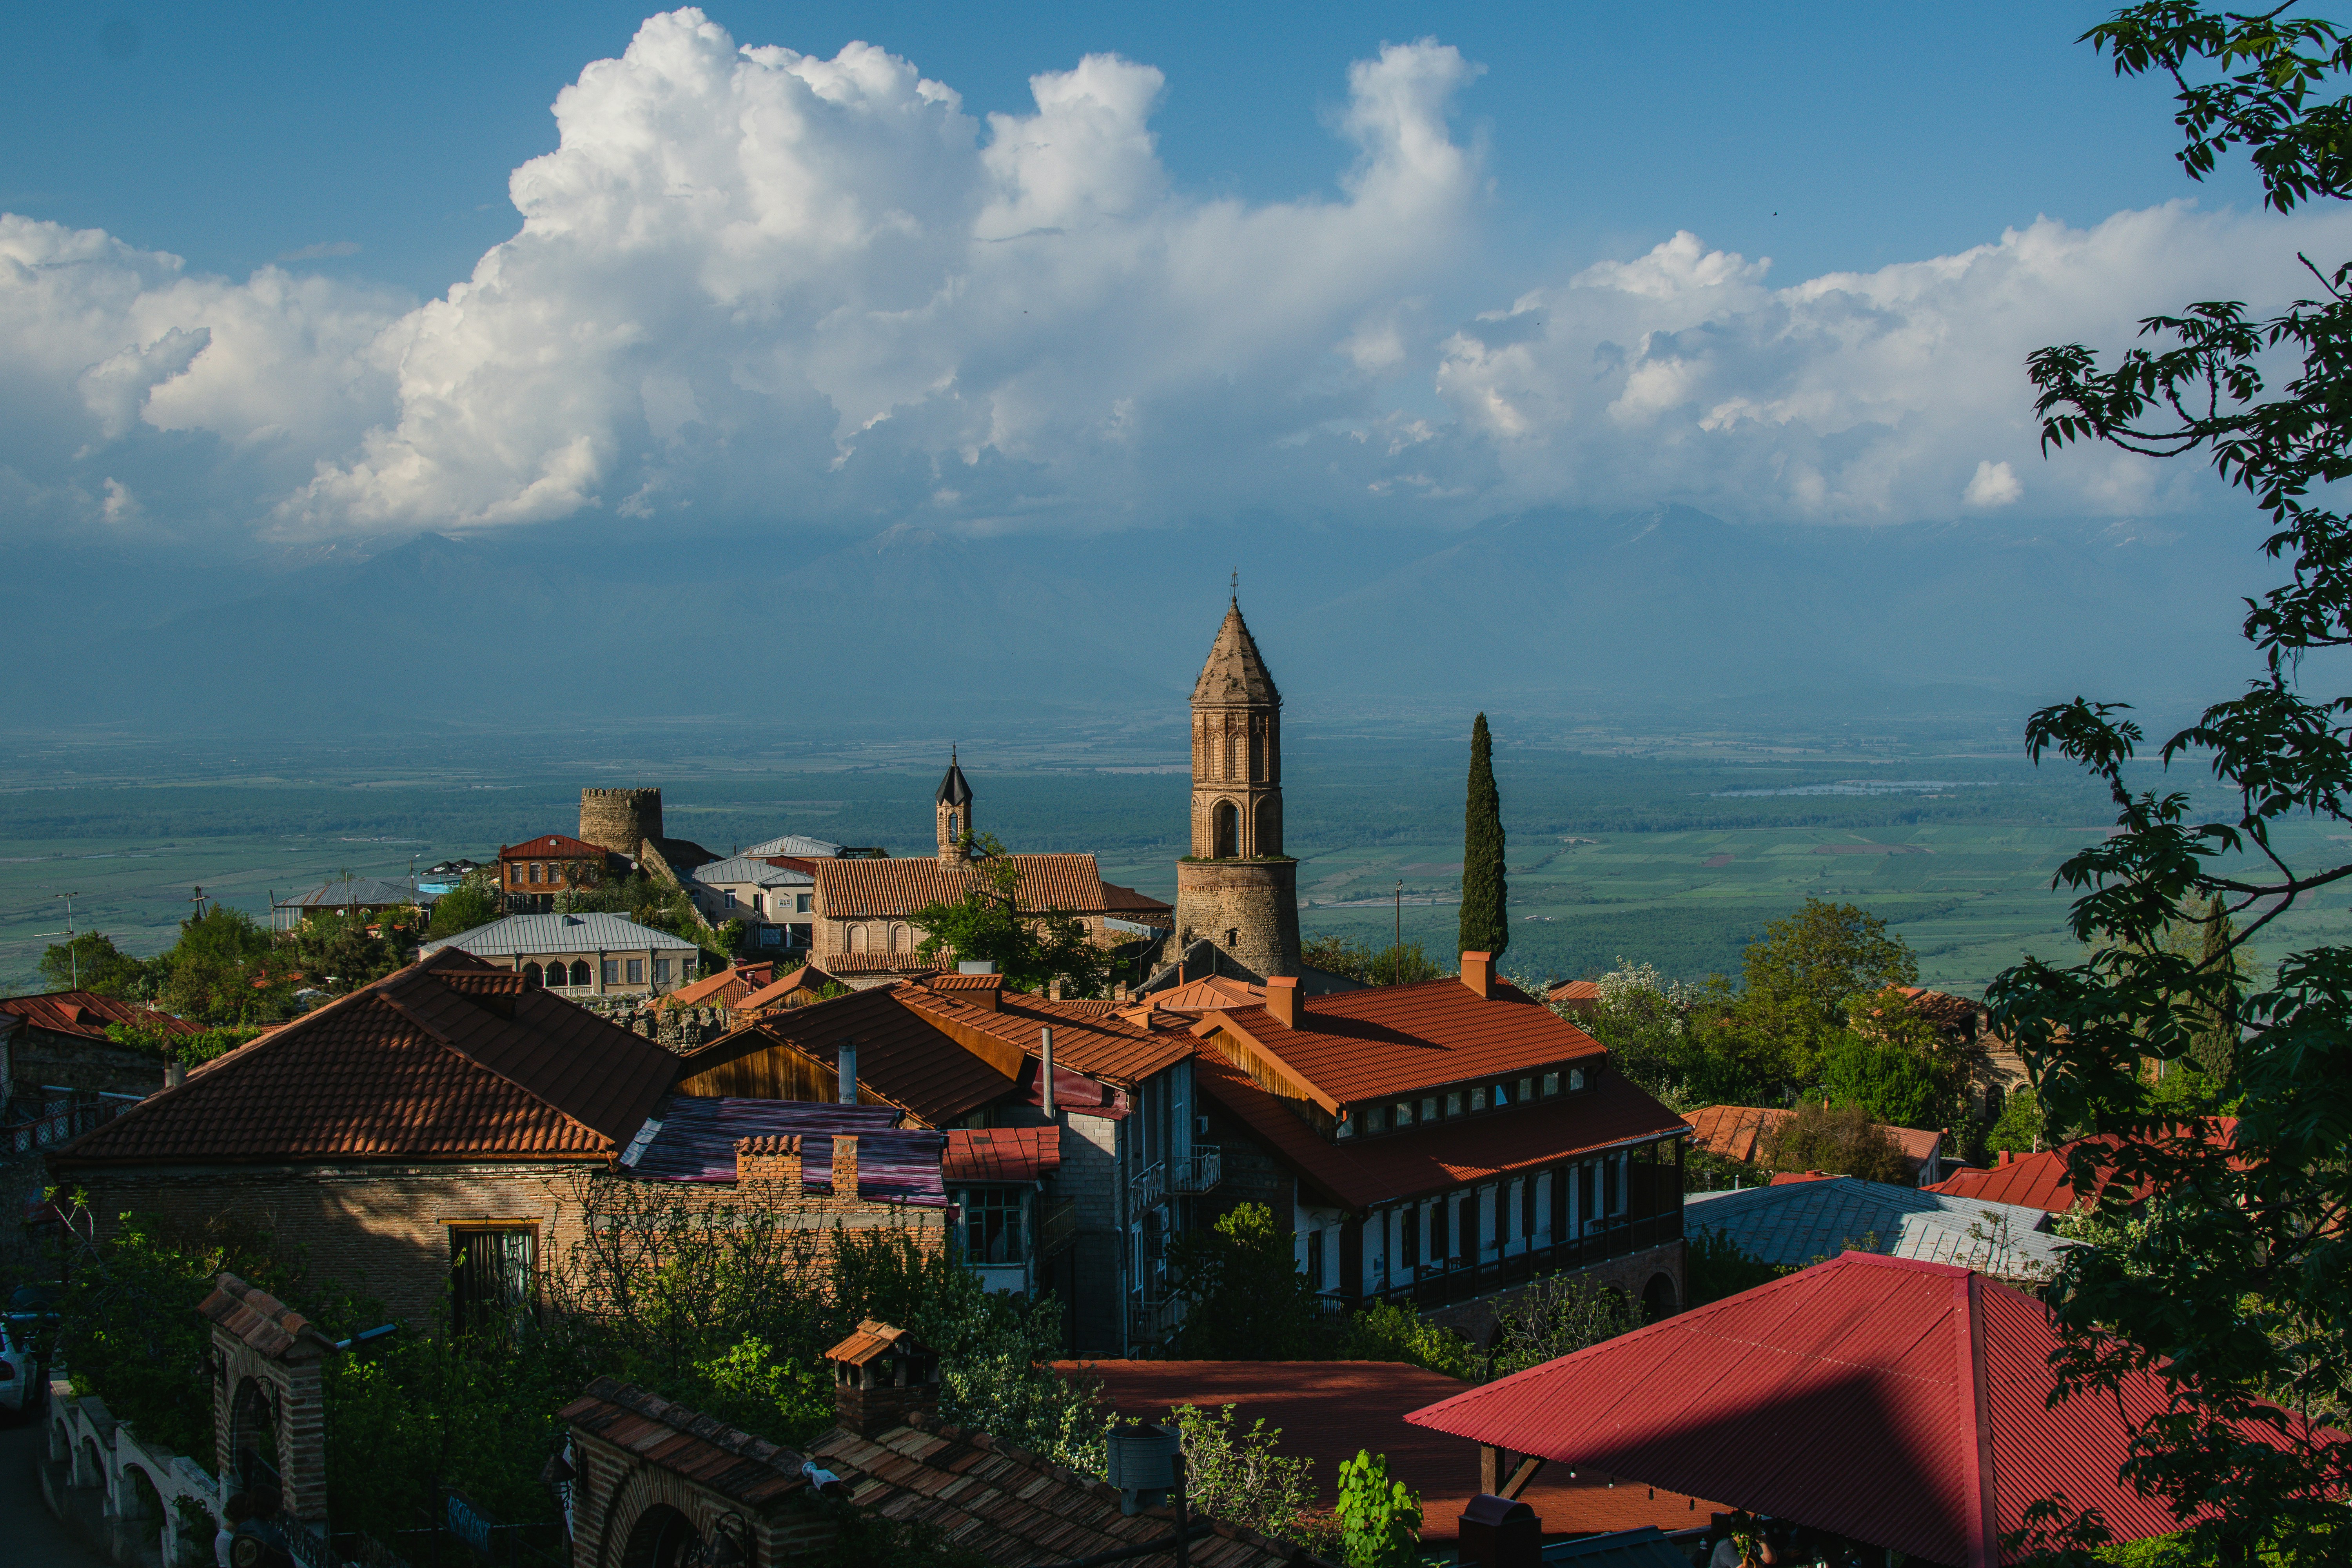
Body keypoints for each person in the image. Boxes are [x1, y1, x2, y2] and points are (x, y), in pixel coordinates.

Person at [1708, 1514, 1778, 1568]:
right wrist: (1760, 1565)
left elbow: (1772, 1560)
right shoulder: (1725, 1547)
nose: (1748, 1530)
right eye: (1744, 1527)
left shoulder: (1751, 1540)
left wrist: (1763, 1542)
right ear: (1734, 1529)